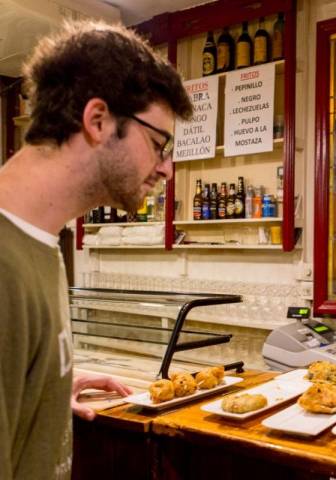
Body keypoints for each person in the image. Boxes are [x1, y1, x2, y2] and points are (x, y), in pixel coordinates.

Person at [0, 21, 192, 479]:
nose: (166, 169)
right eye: (158, 143)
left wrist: (47, 386)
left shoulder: (41, 243)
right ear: (98, 120)